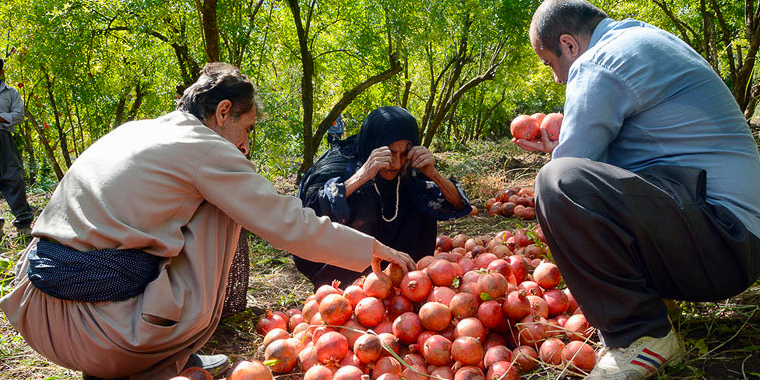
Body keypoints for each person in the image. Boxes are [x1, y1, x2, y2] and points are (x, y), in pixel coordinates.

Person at [0, 63, 416, 380]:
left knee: (213, 199)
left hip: (37, 309)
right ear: (221, 112)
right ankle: (166, 349)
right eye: (247, 128)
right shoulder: (205, 149)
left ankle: (170, 354)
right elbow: (289, 224)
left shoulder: (141, 131)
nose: (246, 144)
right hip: (98, 333)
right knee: (228, 206)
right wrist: (372, 248)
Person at [515, 1, 760, 379]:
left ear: (569, 44)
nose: (557, 80)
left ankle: (641, 337)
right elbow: (618, 173)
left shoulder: (598, 62)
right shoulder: (645, 39)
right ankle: (657, 315)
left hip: (723, 240)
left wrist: (559, 158)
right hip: (736, 238)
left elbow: (570, 176)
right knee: (569, 178)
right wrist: (565, 153)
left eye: (549, 63)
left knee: (554, 183)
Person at [294, 106, 471, 288]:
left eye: (403, 154)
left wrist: (433, 174)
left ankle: (409, 281)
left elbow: (458, 204)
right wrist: (363, 175)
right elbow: (308, 214)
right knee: (363, 202)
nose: (395, 164)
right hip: (347, 270)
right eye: (390, 153)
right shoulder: (337, 164)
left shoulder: (409, 167)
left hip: (404, 273)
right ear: (374, 146)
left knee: (417, 195)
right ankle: (350, 289)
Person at [0, 58, 34, 236]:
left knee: (13, 177)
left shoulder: (11, 93)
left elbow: (19, 115)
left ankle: (23, 223)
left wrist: (0, 118)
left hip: (4, 138)